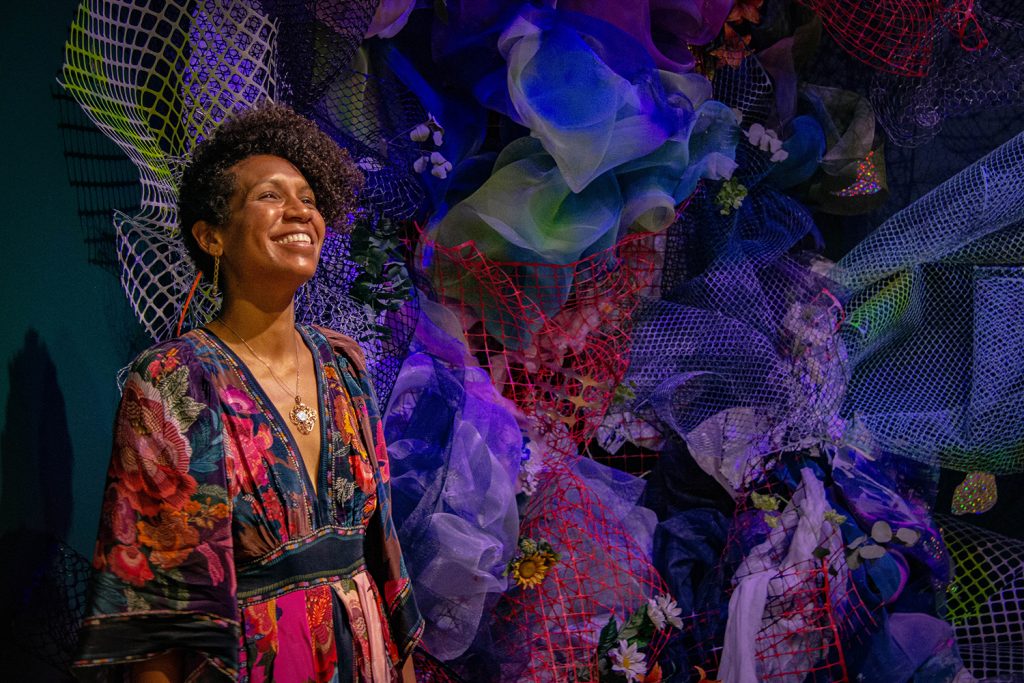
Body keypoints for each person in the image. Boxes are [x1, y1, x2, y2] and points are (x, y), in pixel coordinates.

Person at [73, 102, 423, 682]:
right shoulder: (173, 383)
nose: (299, 212)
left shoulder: (343, 367)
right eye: (270, 195)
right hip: (254, 661)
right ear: (212, 236)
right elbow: (153, 606)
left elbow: (382, 549)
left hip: (368, 654)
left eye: (309, 198)